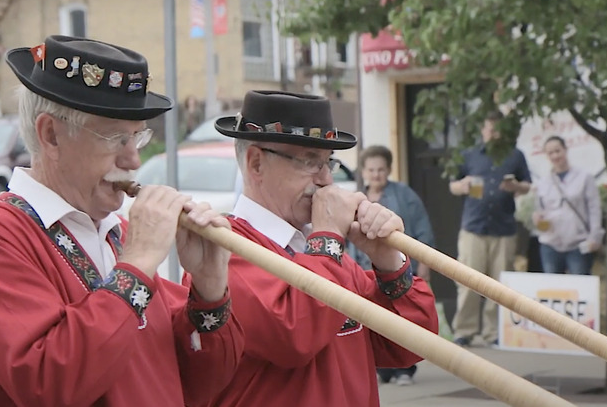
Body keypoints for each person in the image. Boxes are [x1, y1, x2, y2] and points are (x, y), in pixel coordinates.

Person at [0, 35, 244, 406]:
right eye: (114, 137)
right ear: (51, 135)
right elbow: (49, 383)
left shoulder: (114, 234)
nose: (133, 161)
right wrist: (139, 263)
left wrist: (208, 291)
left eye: (136, 138)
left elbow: (200, 386)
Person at [187, 90, 439, 406]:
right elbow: (294, 337)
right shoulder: (225, 251)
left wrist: (388, 260)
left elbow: (412, 344)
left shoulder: (325, 255)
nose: (325, 180)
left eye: (327, 163)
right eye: (309, 162)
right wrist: (329, 237)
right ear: (256, 163)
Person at [347, 144, 435, 386]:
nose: (376, 175)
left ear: (389, 170)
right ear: (363, 171)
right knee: (373, 319)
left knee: (402, 315)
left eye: (381, 170)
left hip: (397, 267)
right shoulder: (355, 198)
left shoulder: (405, 195)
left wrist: (425, 265)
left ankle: (405, 369)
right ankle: (382, 369)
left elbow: (423, 229)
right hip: (362, 270)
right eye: (371, 170)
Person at [448, 112, 531, 347]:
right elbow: (452, 185)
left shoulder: (515, 156)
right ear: (482, 130)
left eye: (497, 130)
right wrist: (462, 186)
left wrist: (515, 186)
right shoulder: (470, 155)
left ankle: (493, 333)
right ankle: (464, 330)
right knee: (467, 281)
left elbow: (527, 185)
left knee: (499, 284)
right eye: (489, 129)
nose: (493, 134)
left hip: (503, 227)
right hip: (473, 226)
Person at [533, 136, 603, 274]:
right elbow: (539, 209)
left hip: (577, 243)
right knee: (552, 291)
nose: (555, 156)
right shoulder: (543, 182)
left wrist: (595, 236)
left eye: (557, 151)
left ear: (565, 150)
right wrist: (536, 217)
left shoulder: (584, 177)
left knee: (580, 289)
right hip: (550, 243)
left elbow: (594, 208)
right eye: (550, 153)